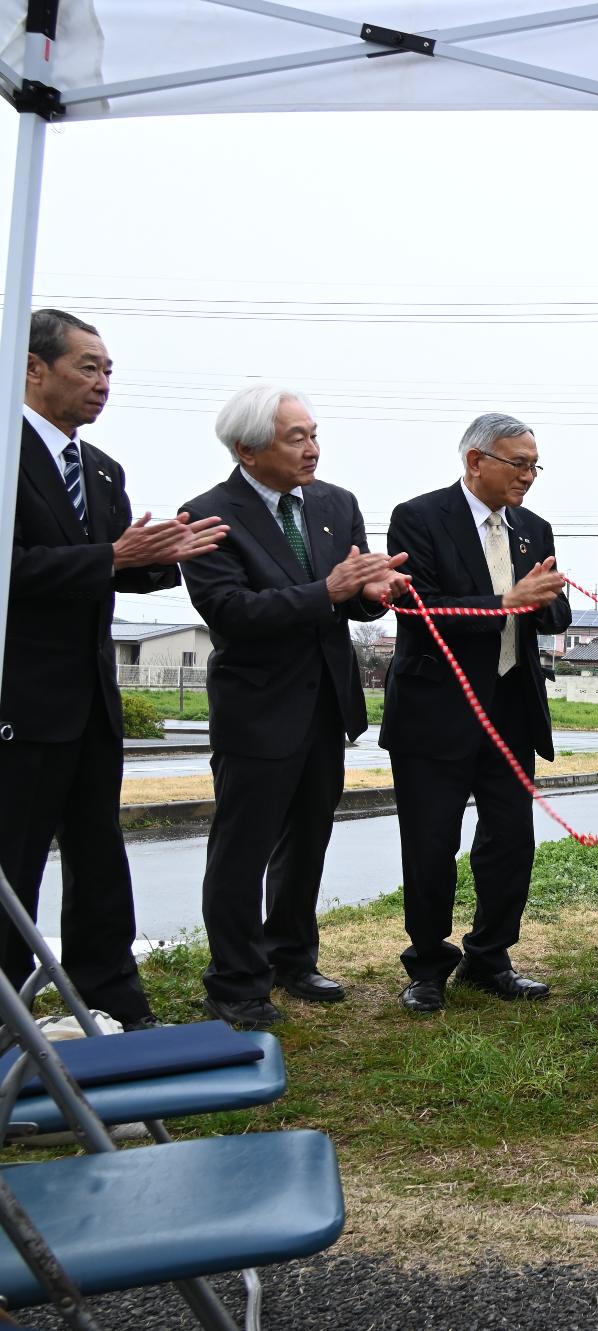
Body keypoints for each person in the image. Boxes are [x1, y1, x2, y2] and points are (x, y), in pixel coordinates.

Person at [0, 309, 227, 1028]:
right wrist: (112, 556)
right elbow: (18, 568)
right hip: (21, 700)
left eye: (108, 372)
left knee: (101, 860)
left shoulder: (100, 469)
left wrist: (165, 553)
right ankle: (10, 1016)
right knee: (14, 865)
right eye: (87, 368)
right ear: (33, 368)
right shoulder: (5, 451)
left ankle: (115, 1000)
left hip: (93, 697)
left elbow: (114, 568)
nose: (102, 384)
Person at [179, 385, 409, 1030]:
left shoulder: (336, 504)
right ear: (249, 449)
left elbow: (353, 602)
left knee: (308, 841)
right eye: (296, 438)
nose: (312, 448)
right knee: (242, 850)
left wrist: (375, 591)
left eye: (313, 433)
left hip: (326, 703)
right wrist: (328, 589)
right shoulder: (208, 515)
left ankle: (292, 957)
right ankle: (235, 982)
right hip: (257, 708)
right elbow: (231, 613)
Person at [381, 413, 571, 1015]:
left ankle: (492, 956)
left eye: (535, 465)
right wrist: (502, 602)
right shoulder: (417, 518)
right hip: (436, 708)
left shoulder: (533, 529)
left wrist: (546, 602)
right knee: (432, 842)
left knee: (511, 840)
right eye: (519, 464)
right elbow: (419, 610)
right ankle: (428, 966)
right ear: (475, 461)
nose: (530, 477)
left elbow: (555, 616)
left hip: (513, 705)